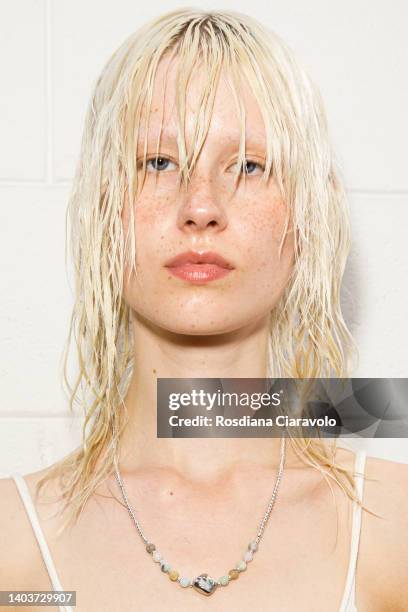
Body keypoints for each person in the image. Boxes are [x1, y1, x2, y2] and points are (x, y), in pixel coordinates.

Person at [1, 8, 407, 611]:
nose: (201, 207)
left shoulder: (391, 529)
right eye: (158, 162)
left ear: (306, 216)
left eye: (247, 164)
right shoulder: (14, 545)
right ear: (103, 205)